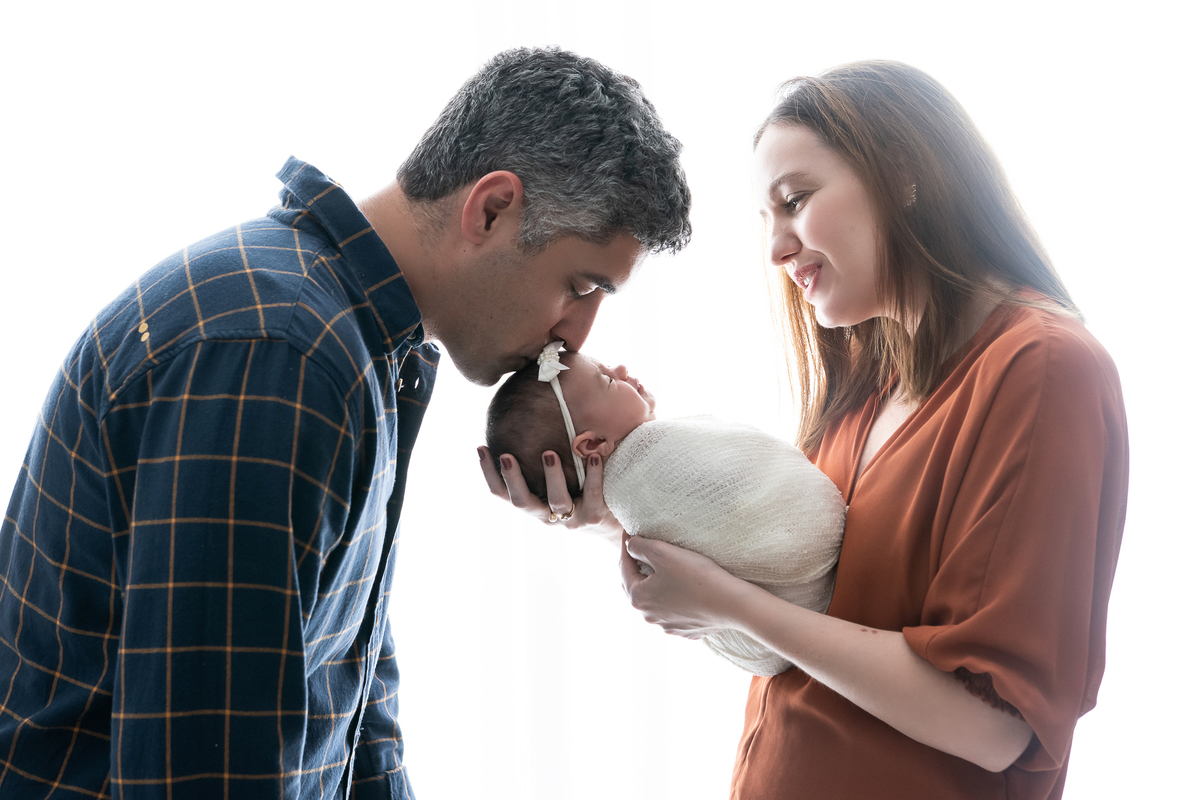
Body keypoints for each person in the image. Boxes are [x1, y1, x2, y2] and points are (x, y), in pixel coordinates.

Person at [0, 47, 690, 799]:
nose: (575, 337)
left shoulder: (357, 343)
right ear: (491, 209)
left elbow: (352, 690)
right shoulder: (283, 352)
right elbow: (206, 769)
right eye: (581, 286)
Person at [482, 60, 1127, 800]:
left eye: (795, 201)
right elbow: (809, 612)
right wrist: (602, 517)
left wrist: (726, 603)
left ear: (902, 174)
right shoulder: (870, 381)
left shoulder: (1043, 369)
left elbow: (995, 726)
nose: (777, 249)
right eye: (769, 219)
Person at [484, 344, 844, 675]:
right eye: (608, 380)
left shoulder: (649, 480)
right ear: (593, 443)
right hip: (808, 606)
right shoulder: (642, 480)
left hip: (799, 637)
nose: (622, 369)